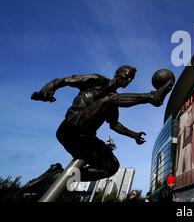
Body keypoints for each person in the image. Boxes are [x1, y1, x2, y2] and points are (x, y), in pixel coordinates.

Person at [31, 65, 174, 181]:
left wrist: (134, 135)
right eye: (126, 76)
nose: (129, 80)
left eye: (131, 78)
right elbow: (63, 80)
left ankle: (57, 176)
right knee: (111, 99)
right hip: (71, 126)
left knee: (111, 167)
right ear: (117, 74)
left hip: (84, 139)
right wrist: (47, 89)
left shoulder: (112, 101)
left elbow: (114, 125)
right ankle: (151, 97)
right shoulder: (96, 81)